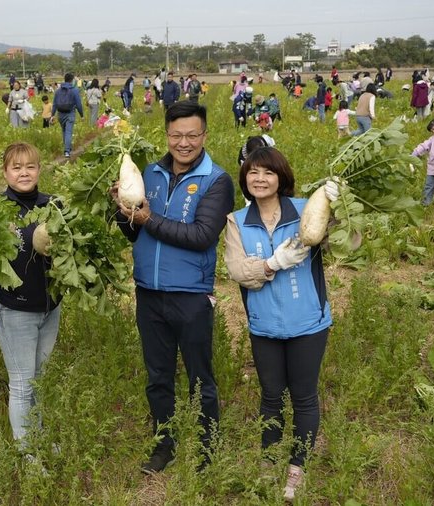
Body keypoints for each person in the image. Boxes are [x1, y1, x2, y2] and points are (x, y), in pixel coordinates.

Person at [113, 102, 235, 474]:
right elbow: (133, 232)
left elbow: (201, 236)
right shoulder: (148, 173)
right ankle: (163, 445)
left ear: (204, 136)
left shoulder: (217, 180)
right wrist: (122, 210)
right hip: (148, 292)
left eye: (192, 135)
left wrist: (149, 218)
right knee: (158, 376)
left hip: (191, 296)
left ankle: (206, 448)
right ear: (167, 135)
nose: (184, 143)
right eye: (177, 135)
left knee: (200, 376)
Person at [224, 146, 335, 501]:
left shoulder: (306, 210)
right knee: (271, 395)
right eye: (253, 172)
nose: (260, 179)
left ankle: (297, 466)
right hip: (265, 324)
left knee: (304, 396)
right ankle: (269, 460)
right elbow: (239, 272)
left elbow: (351, 243)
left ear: (281, 178)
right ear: (245, 178)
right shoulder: (237, 221)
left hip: (309, 322)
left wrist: (341, 209)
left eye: (268, 172)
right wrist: (273, 262)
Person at [0, 142, 62, 449]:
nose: (24, 173)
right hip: (15, 309)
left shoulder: (53, 204)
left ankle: (41, 438)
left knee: (40, 381)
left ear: (39, 169)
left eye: (30, 166)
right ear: (5, 172)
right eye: (16, 167)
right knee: (22, 384)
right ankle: (27, 454)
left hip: (49, 306)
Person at [51, 72, 84, 158]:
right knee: (69, 132)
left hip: (60, 114)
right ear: (72, 80)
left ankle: (67, 148)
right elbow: (78, 104)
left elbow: (54, 104)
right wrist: (81, 115)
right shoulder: (74, 90)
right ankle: (67, 151)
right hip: (70, 113)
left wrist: (52, 115)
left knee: (64, 131)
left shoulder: (58, 91)